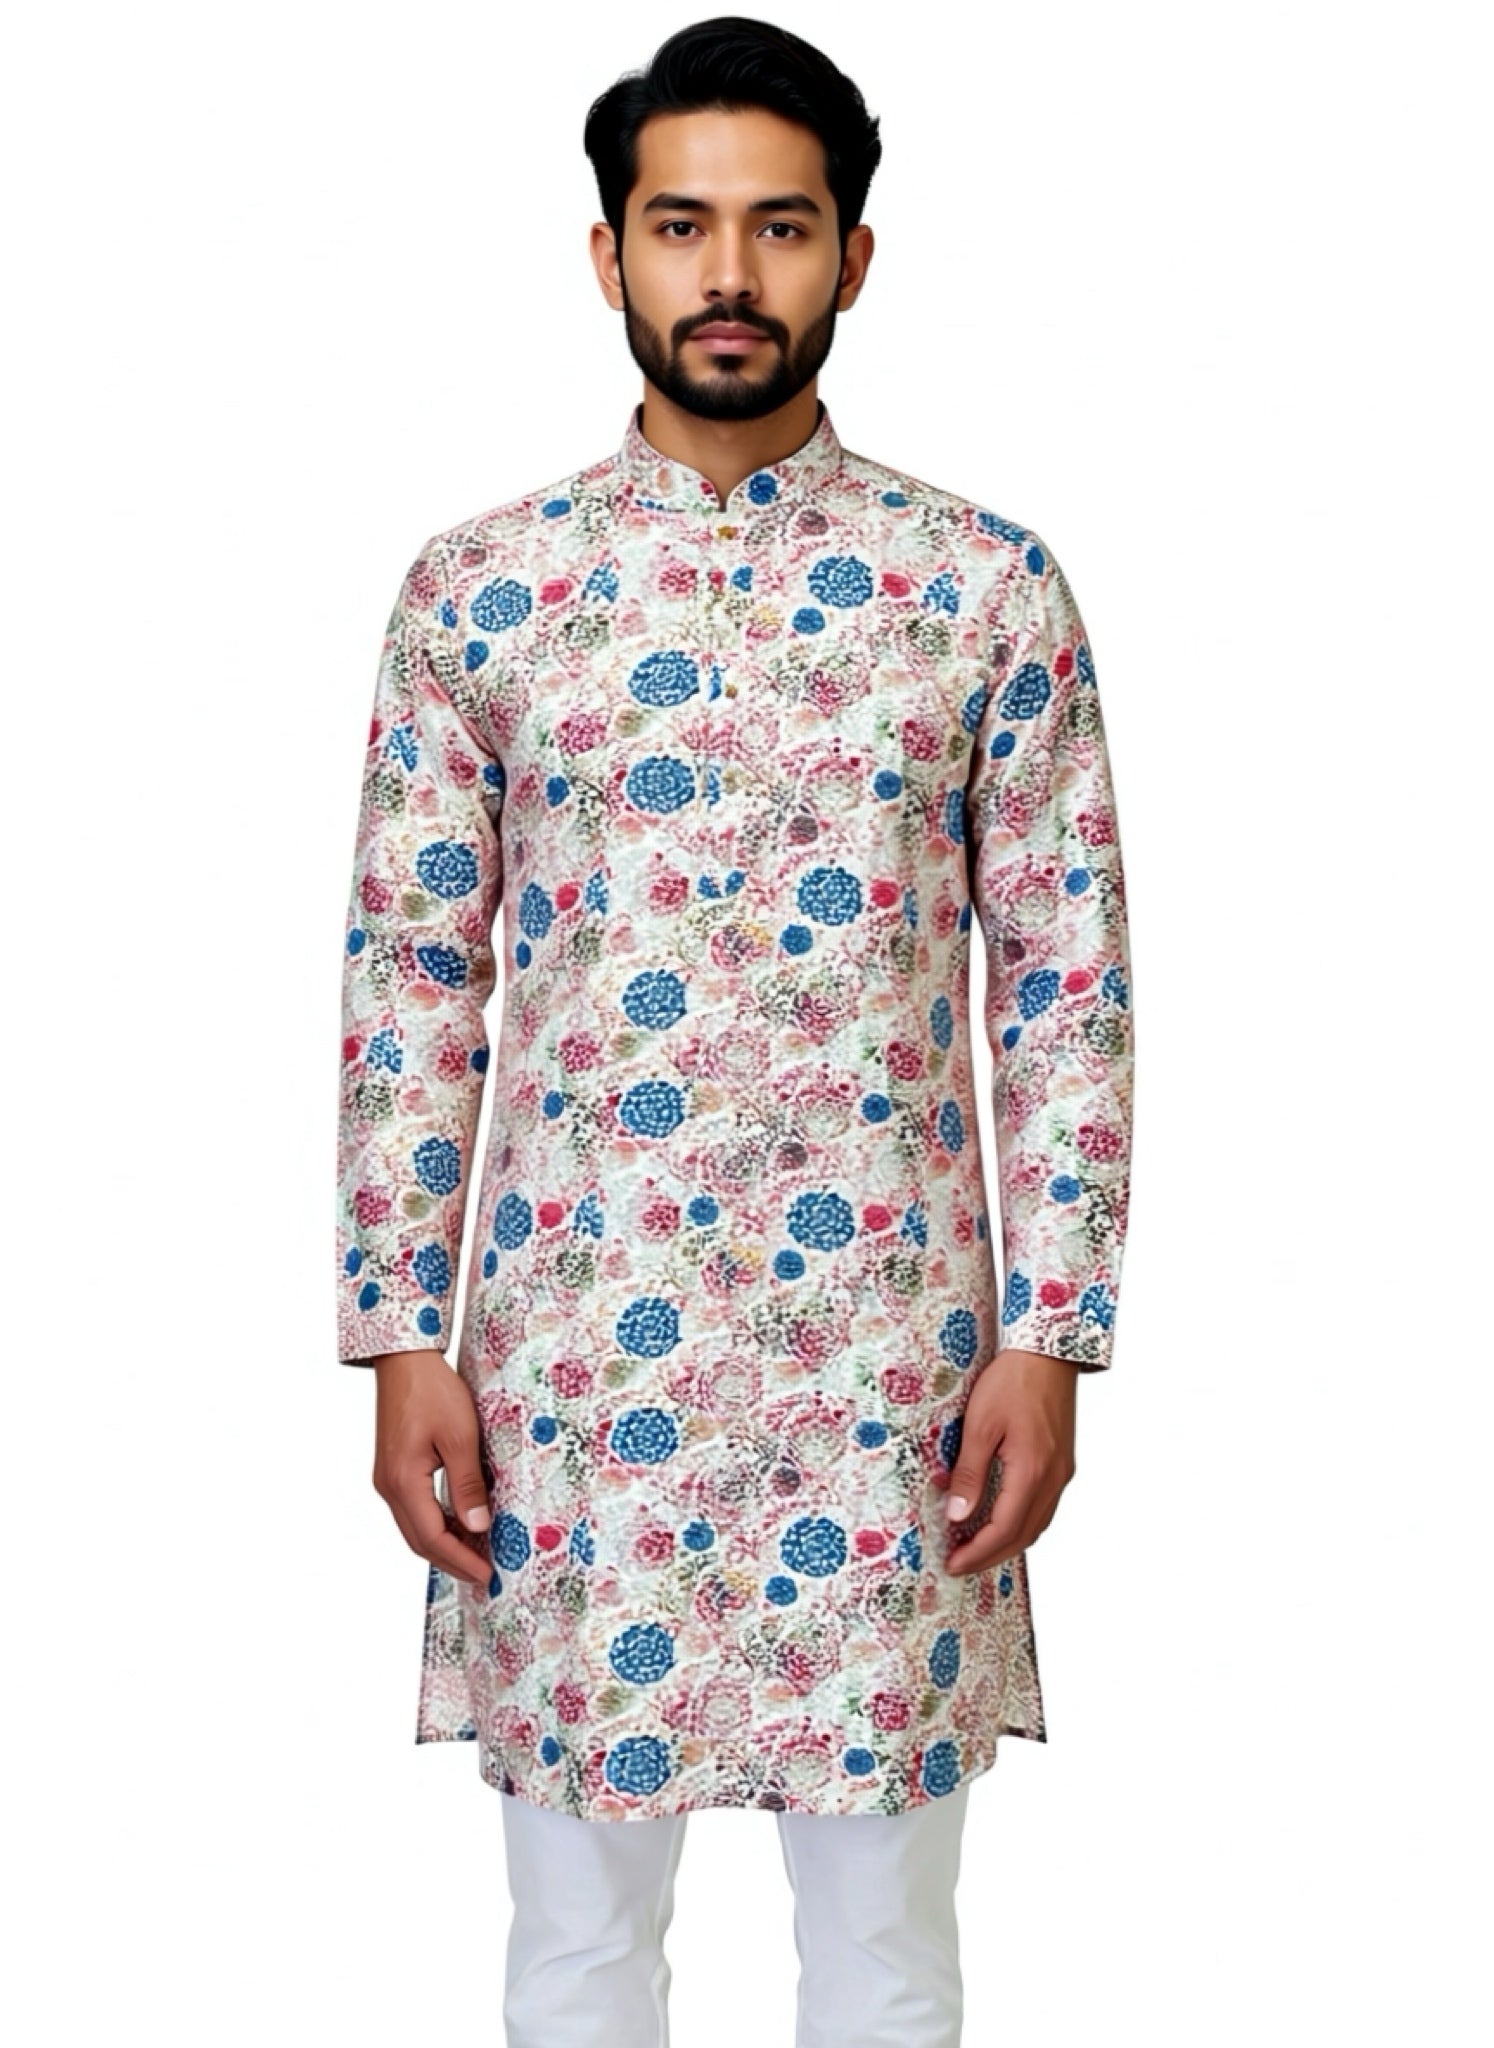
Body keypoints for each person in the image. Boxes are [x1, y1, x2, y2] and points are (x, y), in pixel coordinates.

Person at [333, 16, 1136, 2046]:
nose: (727, 273)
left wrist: (1050, 1335)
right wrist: (402, 1334)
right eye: (681, 224)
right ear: (607, 253)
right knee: (576, 1947)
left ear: (851, 256)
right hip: (570, 1363)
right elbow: (413, 977)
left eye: (778, 227)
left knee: (887, 1954)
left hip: (892, 1369)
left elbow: (1066, 980)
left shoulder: (979, 590)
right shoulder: (484, 593)